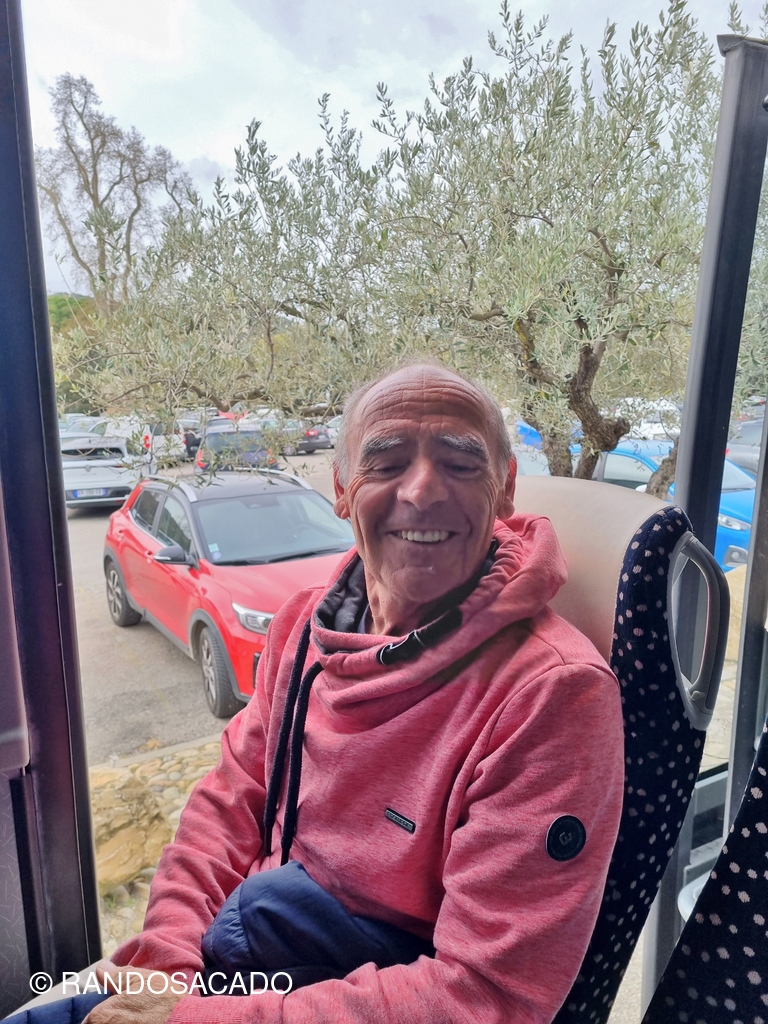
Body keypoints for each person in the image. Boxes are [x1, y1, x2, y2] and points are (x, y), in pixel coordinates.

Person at [15, 362, 625, 1024]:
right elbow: (232, 801)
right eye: (386, 462)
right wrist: (167, 965)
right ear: (341, 488)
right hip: (247, 960)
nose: (423, 488)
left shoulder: (553, 696)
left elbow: (488, 995)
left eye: (460, 462)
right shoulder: (303, 627)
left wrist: (195, 1018)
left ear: (504, 487)